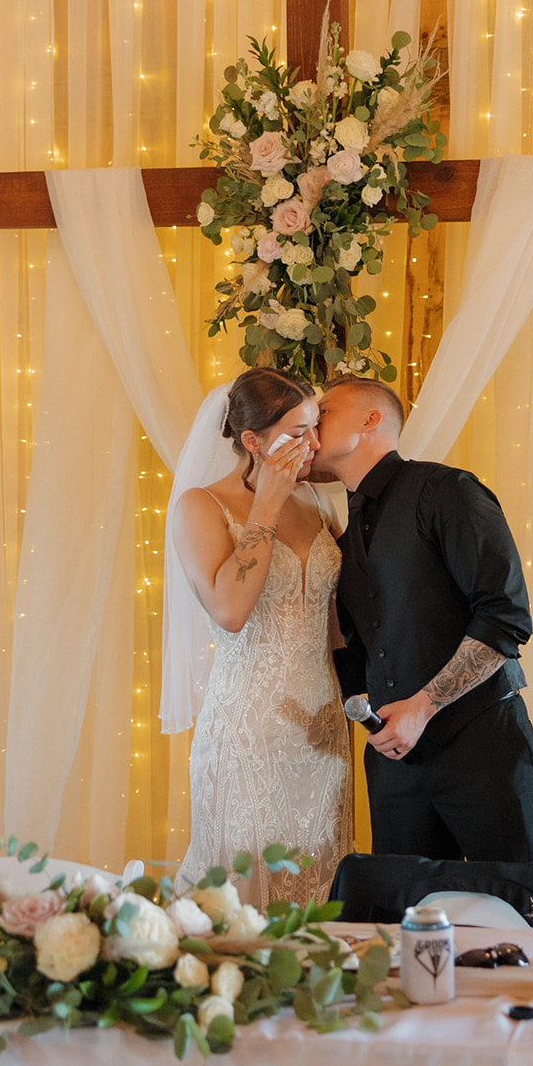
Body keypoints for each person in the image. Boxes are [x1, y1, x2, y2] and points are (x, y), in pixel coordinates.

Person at [314, 375, 533, 861]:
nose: (311, 425)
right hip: (395, 765)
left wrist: (422, 706)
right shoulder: (340, 534)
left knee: (519, 907)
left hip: (484, 748)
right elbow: (354, 644)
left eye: (325, 412)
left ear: (370, 419)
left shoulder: (448, 491)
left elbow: (505, 618)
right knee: (405, 919)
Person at [166, 369, 352, 907]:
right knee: (246, 893)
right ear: (252, 441)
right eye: (297, 433)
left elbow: (339, 619)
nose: (313, 445)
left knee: (319, 884)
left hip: (321, 727)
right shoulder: (201, 505)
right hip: (250, 728)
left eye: (315, 428)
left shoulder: (318, 504)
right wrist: (267, 503)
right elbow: (229, 611)